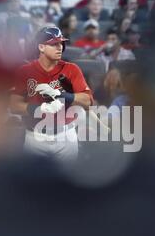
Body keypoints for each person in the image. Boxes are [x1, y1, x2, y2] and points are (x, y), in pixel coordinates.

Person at [10, 26, 93, 162]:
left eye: (61, 43)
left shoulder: (71, 69)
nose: (60, 47)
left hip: (65, 136)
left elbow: (87, 101)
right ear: (41, 47)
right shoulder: (25, 72)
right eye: (54, 44)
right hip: (34, 137)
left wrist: (62, 94)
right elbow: (14, 106)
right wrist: (39, 108)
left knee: (68, 181)